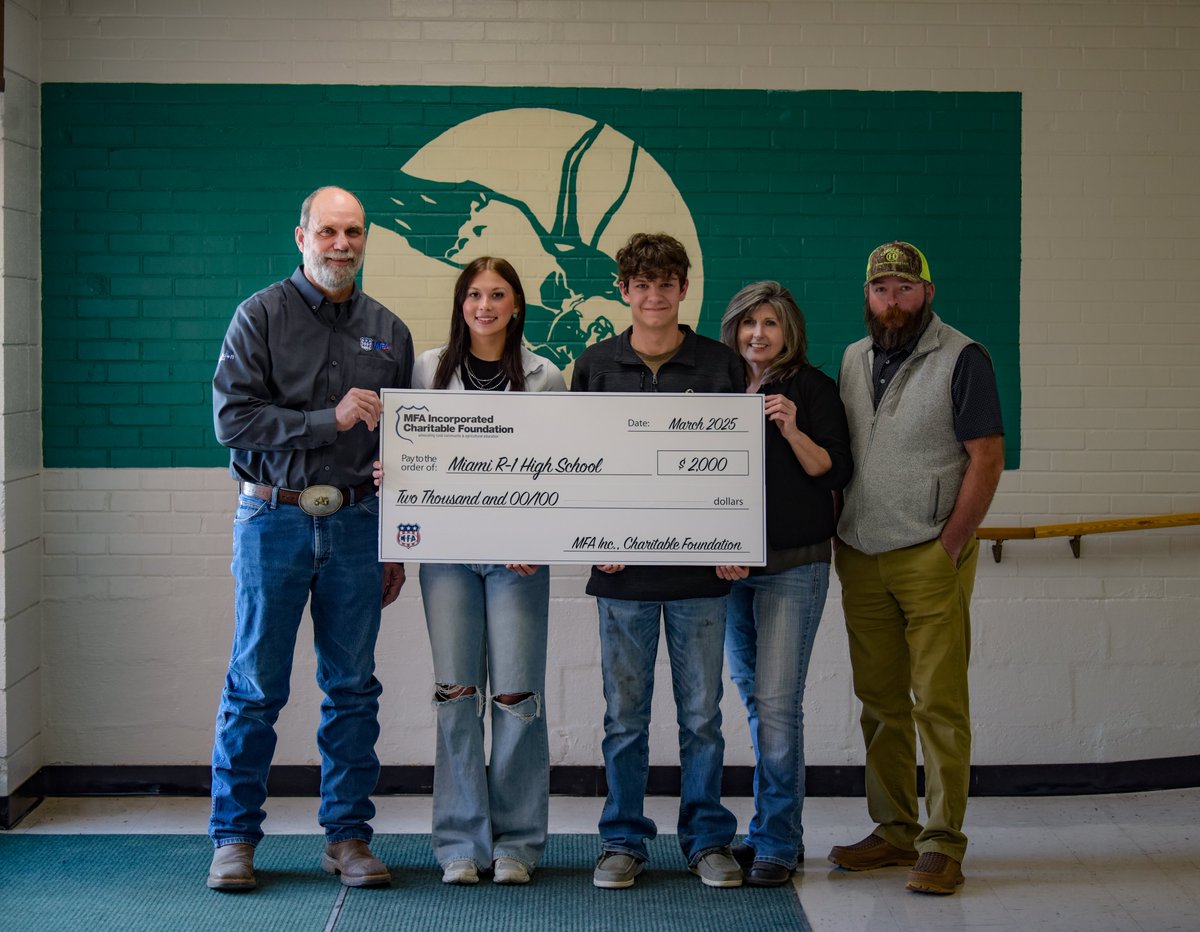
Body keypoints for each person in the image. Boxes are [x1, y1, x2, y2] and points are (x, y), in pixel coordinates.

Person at [206, 186, 414, 892]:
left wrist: (397, 540)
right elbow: (233, 423)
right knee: (256, 687)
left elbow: (406, 445)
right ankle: (234, 839)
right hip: (274, 520)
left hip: (358, 527)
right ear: (302, 236)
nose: (342, 244)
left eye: (353, 231)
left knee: (353, 689)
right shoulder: (258, 316)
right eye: (328, 231)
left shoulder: (389, 328)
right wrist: (329, 420)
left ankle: (348, 838)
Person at [570, 232, 747, 890]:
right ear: (623, 290)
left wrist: (734, 543)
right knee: (625, 718)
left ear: (683, 288)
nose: (654, 295)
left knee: (703, 716)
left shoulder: (720, 365)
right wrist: (595, 538)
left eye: (666, 283)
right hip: (622, 580)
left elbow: (739, 466)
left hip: (702, 578)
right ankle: (622, 840)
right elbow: (576, 468)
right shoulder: (592, 366)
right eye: (641, 284)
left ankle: (706, 841)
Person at [830, 241, 1004, 895]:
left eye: (905, 287)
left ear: (927, 292)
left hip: (930, 555)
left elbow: (986, 455)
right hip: (861, 555)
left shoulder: (963, 357)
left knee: (938, 703)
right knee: (879, 703)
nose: (892, 300)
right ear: (868, 295)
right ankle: (895, 831)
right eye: (881, 289)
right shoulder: (852, 358)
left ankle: (942, 843)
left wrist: (952, 543)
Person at [412, 257, 566, 886]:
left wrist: (543, 534)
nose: (484, 305)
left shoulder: (545, 375)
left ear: (517, 305)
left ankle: (517, 844)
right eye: (473, 294)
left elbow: (562, 468)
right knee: (455, 696)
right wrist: (391, 478)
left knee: (517, 699)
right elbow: (409, 450)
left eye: (497, 294)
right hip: (446, 556)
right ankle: (458, 844)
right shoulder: (425, 369)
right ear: (460, 302)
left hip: (518, 561)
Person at [716, 282, 852, 887]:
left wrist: (794, 428)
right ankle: (772, 831)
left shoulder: (812, 389)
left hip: (793, 568)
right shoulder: (716, 387)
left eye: (769, 324)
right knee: (755, 702)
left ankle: (776, 840)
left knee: (777, 706)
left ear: (788, 330)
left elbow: (834, 470)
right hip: (727, 572)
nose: (758, 335)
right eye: (748, 324)